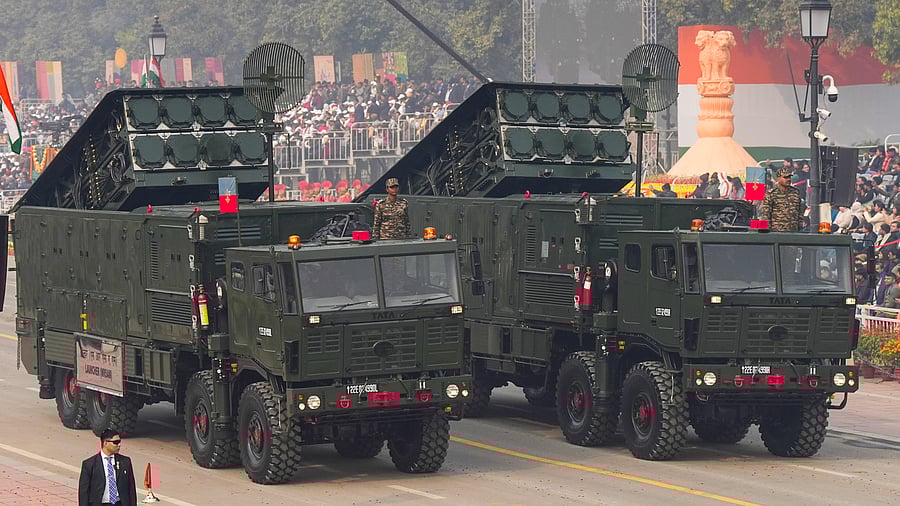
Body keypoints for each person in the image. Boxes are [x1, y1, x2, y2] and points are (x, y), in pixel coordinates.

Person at [79, 429, 137, 506]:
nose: (119, 445)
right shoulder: (89, 464)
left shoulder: (125, 462)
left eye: (119, 442)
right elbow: (84, 492)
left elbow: (131, 489)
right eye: (115, 442)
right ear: (105, 443)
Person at [760, 167, 802, 231]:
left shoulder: (795, 192)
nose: (788, 179)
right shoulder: (771, 194)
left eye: (789, 177)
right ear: (778, 179)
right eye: (785, 177)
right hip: (776, 233)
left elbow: (799, 213)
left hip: (793, 232)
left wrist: (800, 228)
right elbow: (765, 215)